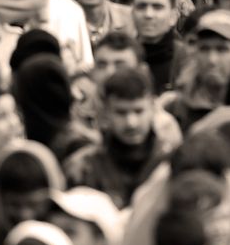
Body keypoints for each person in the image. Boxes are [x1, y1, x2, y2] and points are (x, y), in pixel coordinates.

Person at [64, 67, 173, 208]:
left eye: (138, 111)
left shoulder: (171, 163)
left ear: (152, 107)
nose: (131, 123)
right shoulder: (82, 169)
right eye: (121, 112)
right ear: (106, 112)